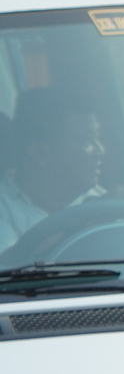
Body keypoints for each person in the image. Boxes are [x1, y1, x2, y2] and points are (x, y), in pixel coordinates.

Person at [0, 87, 106, 255]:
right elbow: (9, 269)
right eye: (86, 141)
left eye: (98, 139)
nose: (100, 150)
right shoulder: (4, 208)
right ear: (40, 152)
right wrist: (84, 223)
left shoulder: (102, 201)